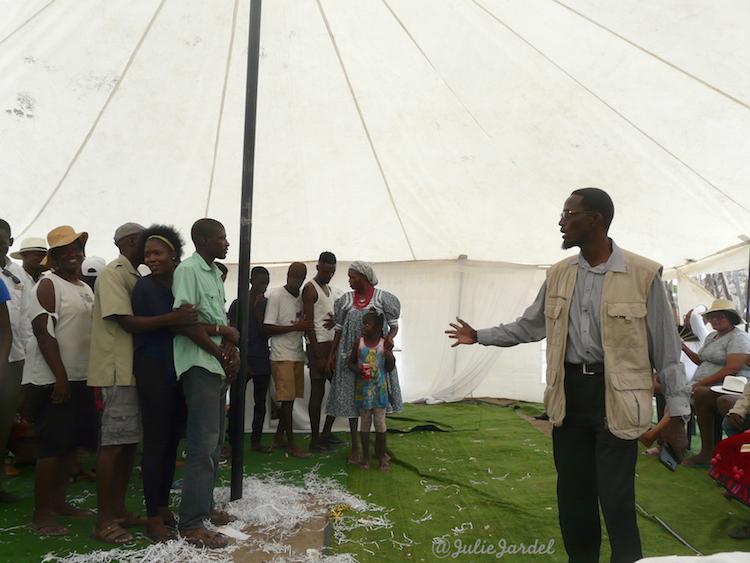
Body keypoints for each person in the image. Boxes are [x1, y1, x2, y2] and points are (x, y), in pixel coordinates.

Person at [446, 188, 690, 563]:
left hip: (619, 399)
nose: (561, 222)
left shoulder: (643, 274)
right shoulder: (559, 274)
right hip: (571, 396)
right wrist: (480, 336)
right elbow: (530, 325)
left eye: (568, 213)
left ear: (595, 219)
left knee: (616, 499)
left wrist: (677, 415)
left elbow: (668, 354)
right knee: (574, 498)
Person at [22, 226, 98, 535]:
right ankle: (42, 515)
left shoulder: (84, 287)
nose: (73, 253)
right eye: (64, 250)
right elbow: (43, 333)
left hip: (80, 377)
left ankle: (60, 502)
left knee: (70, 447)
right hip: (52, 380)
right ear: (53, 257)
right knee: (52, 448)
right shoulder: (47, 285)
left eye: (77, 247)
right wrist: (61, 379)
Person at [173, 218, 239, 549]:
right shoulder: (188, 271)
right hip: (198, 364)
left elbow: (216, 319)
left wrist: (228, 348)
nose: (227, 243)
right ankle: (191, 525)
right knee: (201, 446)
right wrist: (221, 344)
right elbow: (186, 322)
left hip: (214, 365)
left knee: (215, 444)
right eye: (221, 238)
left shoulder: (214, 273)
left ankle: (205, 508)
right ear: (202, 240)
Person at [131, 226, 198, 542]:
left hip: (178, 369)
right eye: (147, 254)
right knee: (156, 442)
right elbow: (179, 322)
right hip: (153, 370)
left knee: (172, 441)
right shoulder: (145, 287)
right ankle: (152, 515)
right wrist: (180, 317)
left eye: (157, 253)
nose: (152, 259)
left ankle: (162, 504)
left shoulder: (180, 283)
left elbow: (189, 320)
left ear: (174, 255)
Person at [87, 222, 147, 544]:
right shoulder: (113, 273)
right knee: (112, 446)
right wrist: (170, 320)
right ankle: (104, 521)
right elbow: (124, 321)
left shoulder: (134, 274)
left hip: (131, 372)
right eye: (145, 242)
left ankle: (119, 510)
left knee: (127, 446)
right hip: (116, 371)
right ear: (132, 241)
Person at [326, 261, 403, 465]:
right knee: (353, 402)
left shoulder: (382, 299)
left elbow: (393, 326)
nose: (349, 280)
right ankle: (356, 449)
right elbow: (339, 330)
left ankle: (379, 450)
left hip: (375, 357)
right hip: (350, 355)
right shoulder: (345, 301)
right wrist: (332, 354)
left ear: (365, 277)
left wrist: (390, 339)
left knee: (377, 404)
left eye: (353, 277)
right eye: (349, 277)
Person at [682, 299, 750, 466]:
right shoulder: (712, 336)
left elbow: (732, 369)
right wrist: (684, 348)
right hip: (704, 383)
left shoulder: (739, 337)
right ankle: (669, 443)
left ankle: (706, 452)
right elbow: (701, 360)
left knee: (699, 393)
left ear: (731, 318)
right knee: (670, 389)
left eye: (721, 316)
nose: (716, 320)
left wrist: (700, 383)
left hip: (729, 386)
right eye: (712, 317)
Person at [0, 221, 36, 502]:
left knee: (4, 425)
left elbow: (26, 319)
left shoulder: (19, 275)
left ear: (10, 241)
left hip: (14, 361)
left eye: (2, 240)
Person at [263, 262, 313, 459]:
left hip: (297, 354)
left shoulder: (301, 298)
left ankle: (278, 437)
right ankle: (291, 444)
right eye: (293, 275)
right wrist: (296, 327)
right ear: (287, 274)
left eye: (301, 277)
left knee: (290, 400)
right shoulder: (276, 295)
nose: (296, 280)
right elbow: (267, 328)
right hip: (281, 355)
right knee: (286, 401)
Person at [228, 266, 273, 453]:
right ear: (251, 281)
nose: (265, 286)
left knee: (260, 403)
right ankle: (232, 443)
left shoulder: (267, 304)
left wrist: (257, 310)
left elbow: (266, 332)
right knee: (237, 403)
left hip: (262, 358)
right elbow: (232, 333)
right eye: (262, 282)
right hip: (243, 359)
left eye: (267, 282)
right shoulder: (238, 304)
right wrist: (240, 357)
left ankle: (256, 442)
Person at [303, 251, 342, 452]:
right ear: (317, 267)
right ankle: (315, 439)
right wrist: (319, 356)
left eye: (332, 272)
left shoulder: (329, 289)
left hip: (331, 345)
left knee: (339, 391)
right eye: (326, 271)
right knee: (317, 394)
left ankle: (326, 432)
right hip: (317, 345)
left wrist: (336, 321)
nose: (329, 275)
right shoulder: (310, 289)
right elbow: (309, 325)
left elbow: (329, 315)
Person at [349, 308, 395, 471]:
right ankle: (366, 457)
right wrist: (358, 370)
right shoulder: (358, 342)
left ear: (377, 328)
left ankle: (382, 456)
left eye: (366, 324)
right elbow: (350, 363)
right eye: (363, 324)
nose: (363, 327)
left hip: (380, 391)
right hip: (363, 391)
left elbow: (390, 367)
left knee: (380, 424)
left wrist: (388, 353)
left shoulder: (384, 344)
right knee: (365, 425)